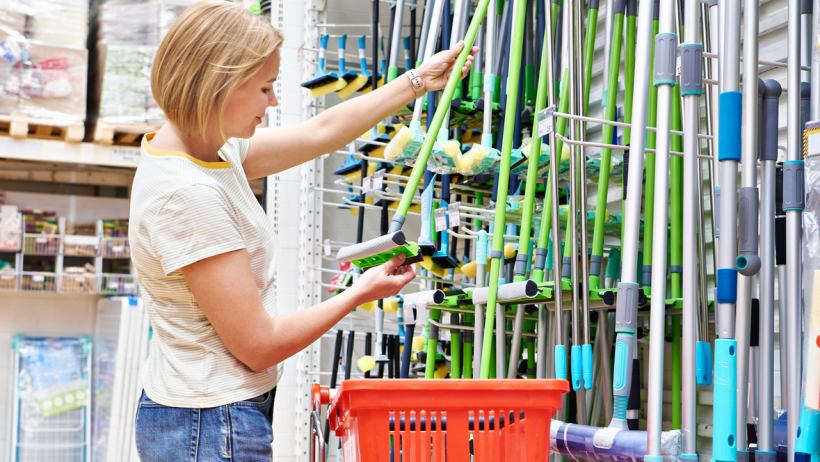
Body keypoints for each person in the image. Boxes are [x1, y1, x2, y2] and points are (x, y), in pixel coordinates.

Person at [129, 1, 476, 460]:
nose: (273, 101)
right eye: (265, 88)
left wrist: (416, 82)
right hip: (210, 424)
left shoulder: (205, 150)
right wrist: (357, 293)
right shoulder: (189, 196)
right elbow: (259, 346)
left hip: (202, 412)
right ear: (218, 87)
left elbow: (322, 132)